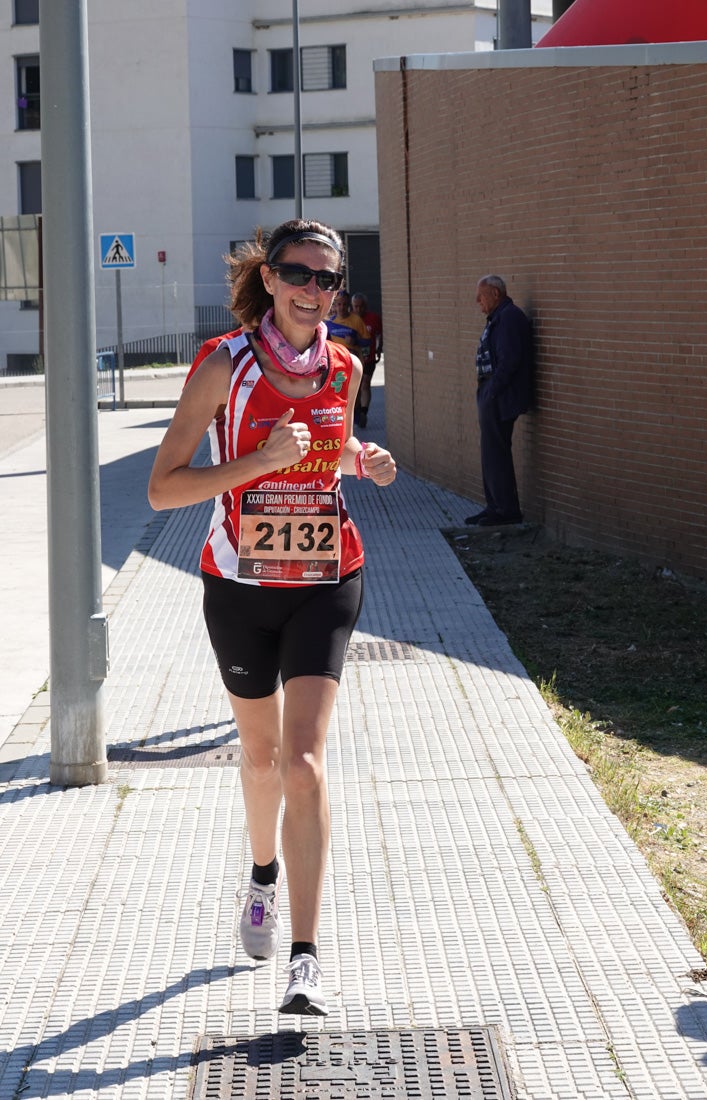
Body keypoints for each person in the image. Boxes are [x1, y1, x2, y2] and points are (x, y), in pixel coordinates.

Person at [148, 218, 397, 1016]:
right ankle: (261, 878)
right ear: (268, 279)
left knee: (303, 764)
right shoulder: (224, 365)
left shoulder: (346, 365)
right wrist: (256, 463)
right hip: (240, 587)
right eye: (298, 274)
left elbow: (331, 447)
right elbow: (163, 487)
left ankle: (305, 956)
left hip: (327, 578)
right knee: (258, 762)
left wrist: (366, 460)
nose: (313, 292)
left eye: (328, 280)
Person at [466, 274, 532, 526]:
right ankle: (494, 505)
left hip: (500, 397)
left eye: (481, 296)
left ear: (495, 293)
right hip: (492, 393)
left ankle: (506, 510)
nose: (477, 301)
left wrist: (492, 391)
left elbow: (510, 360)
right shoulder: (499, 317)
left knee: (497, 453)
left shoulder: (509, 317)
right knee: (490, 452)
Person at [351, 292, 383, 429]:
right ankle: (357, 411)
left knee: (365, 384)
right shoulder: (349, 319)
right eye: (356, 307)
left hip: (368, 357)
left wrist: (378, 349)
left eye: (361, 306)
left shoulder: (374, 318)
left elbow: (380, 334)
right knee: (355, 388)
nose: (359, 310)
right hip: (354, 359)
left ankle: (364, 411)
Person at [325, 289, 370, 367]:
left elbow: (368, 341)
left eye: (344, 304)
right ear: (335, 306)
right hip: (337, 362)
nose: (342, 307)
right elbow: (325, 343)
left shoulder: (356, 320)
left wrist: (355, 341)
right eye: (339, 304)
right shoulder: (329, 322)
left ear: (349, 305)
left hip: (354, 361)